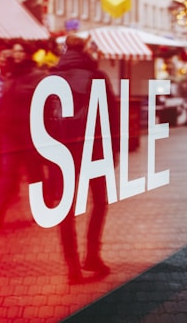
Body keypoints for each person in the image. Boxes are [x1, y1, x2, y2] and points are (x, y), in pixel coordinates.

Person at [46, 33, 119, 283]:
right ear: (86, 49)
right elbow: (112, 117)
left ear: (65, 49)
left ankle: (73, 267)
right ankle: (93, 256)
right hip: (93, 148)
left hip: (61, 150)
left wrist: (45, 155)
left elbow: (41, 120)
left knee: (66, 209)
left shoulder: (51, 78)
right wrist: (114, 150)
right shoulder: (97, 77)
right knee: (99, 201)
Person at [0, 42, 47, 228]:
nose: (16, 55)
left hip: (30, 132)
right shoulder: (9, 74)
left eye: (20, 51)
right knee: (8, 172)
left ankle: (42, 211)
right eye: (14, 51)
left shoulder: (38, 76)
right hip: (9, 133)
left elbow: (47, 104)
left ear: (28, 54)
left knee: (34, 173)